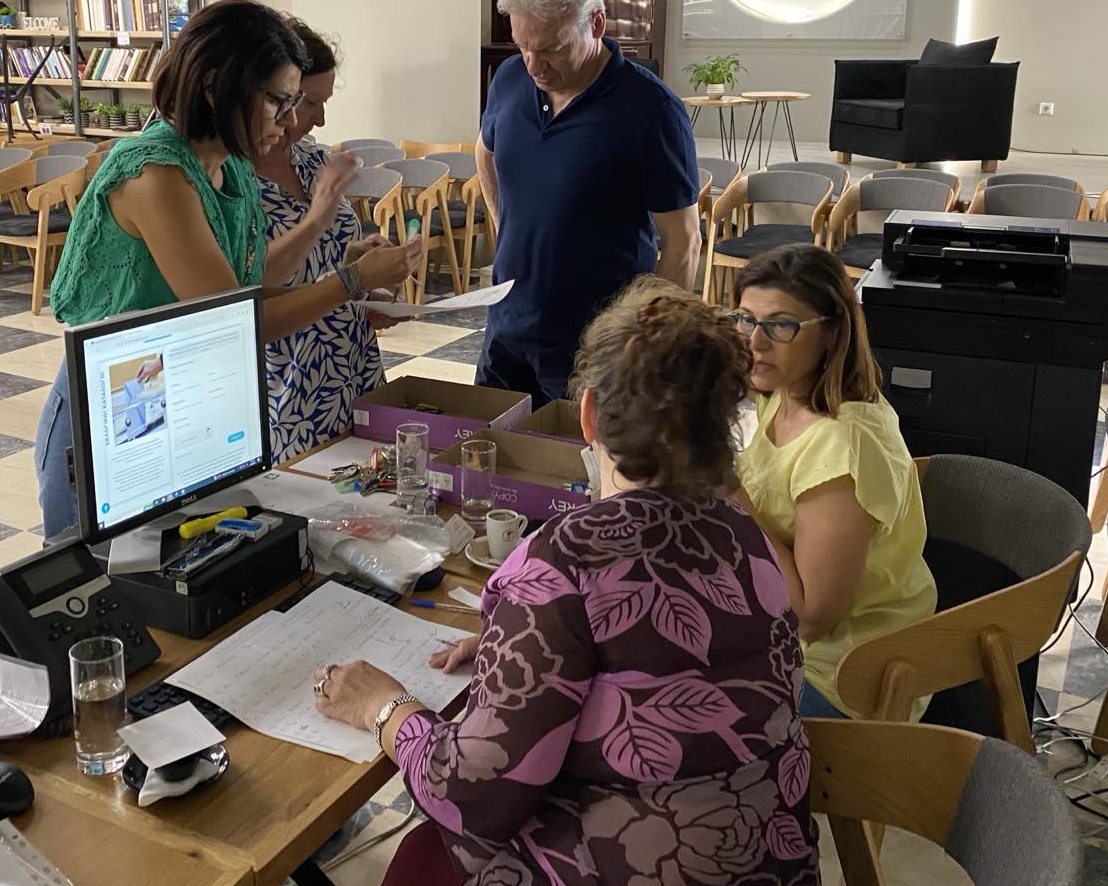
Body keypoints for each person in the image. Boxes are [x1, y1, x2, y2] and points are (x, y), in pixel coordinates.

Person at [311, 279, 819, 886]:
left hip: (632, 862)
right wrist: (530, 645)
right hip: (767, 862)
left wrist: (383, 707)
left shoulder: (560, 563)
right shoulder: (745, 536)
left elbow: (474, 799)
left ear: (589, 414)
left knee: (426, 853)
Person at [35, 0, 421, 538]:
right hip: (115, 406)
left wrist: (334, 253)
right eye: (278, 103)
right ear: (217, 85)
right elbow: (232, 322)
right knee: (109, 581)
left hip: (177, 391)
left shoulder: (227, 169)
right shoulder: (158, 174)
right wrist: (351, 280)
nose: (291, 124)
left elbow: (251, 278)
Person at [475, 0, 700, 408]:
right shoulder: (511, 79)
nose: (535, 65)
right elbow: (486, 152)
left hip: (594, 348)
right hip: (506, 333)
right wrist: (509, 233)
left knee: (586, 474)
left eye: (552, 48)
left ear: (595, 24)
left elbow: (682, 243)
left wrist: (647, 344)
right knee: (491, 466)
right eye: (523, 45)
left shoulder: (651, 111)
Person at [730, 244, 936, 720]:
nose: (754, 343)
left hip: (840, 674)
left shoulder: (841, 444)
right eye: (744, 319)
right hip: (780, 635)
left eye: (780, 325)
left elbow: (811, 618)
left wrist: (728, 494)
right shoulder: (782, 390)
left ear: (831, 332)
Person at [256, 18, 401, 460]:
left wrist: (367, 280)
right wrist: (348, 271)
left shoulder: (315, 161)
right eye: (309, 102)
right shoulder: (230, 182)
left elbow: (325, 260)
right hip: (289, 391)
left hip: (352, 372)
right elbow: (247, 292)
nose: (320, 117)